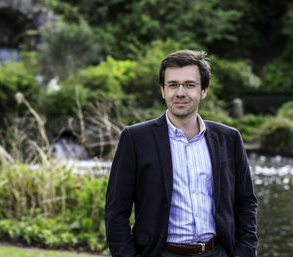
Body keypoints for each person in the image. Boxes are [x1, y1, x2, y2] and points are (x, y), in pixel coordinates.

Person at [105, 50, 258, 257]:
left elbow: (245, 202)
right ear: (162, 90)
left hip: (218, 252)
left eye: (189, 85)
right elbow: (116, 212)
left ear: (204, 90)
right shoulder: (135, 139)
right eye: (173, 84)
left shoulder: (229, 139)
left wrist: (245, 252)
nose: (180, 92)